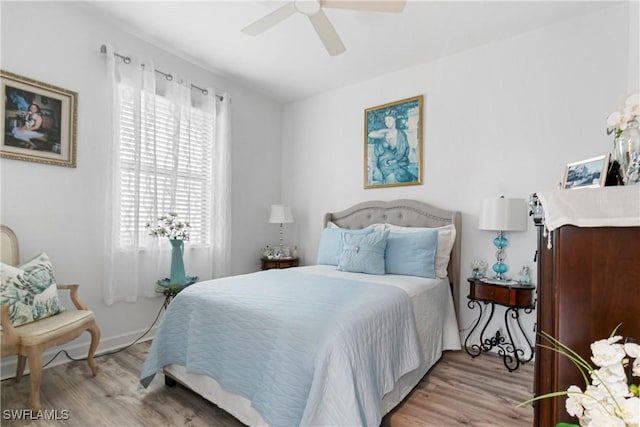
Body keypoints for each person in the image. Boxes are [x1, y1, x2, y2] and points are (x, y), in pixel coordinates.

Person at [367, 113, 416, 184]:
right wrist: (383, 133)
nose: (387, 123)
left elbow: (404, 150)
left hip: (399, 163)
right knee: (391, 178)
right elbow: (370, 135)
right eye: (386, 121)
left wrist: (395, 161)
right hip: (385, 163)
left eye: (389, 120)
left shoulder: (401, 134)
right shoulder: (383, 133)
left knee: (407, 177)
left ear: (394, 119)